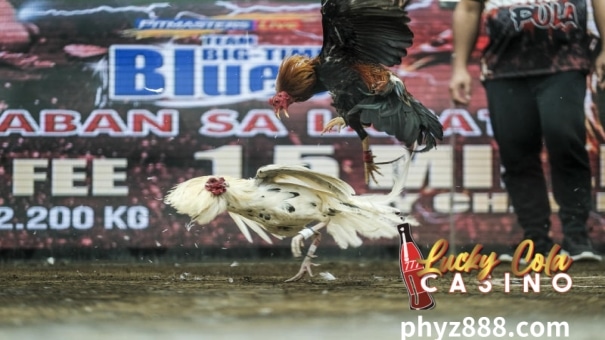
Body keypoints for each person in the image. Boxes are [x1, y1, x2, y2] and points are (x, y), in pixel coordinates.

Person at [449, 0, 604, 261]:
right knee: (516, 151)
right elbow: (468, 7)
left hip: (565, 62)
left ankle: (577, 239)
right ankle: (535, 241)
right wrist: (459, 68)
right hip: (504, 67)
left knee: (565, 140)